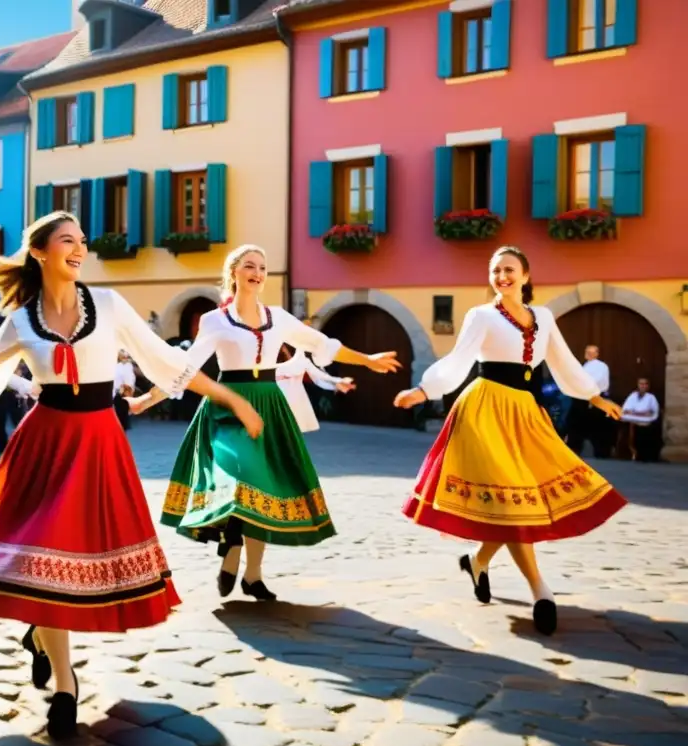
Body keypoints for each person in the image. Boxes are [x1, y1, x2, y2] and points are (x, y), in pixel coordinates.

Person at [0, 212, 263, 740]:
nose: (79, 248)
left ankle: (44, 639)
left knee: (69, 555)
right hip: (45, 444)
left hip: (98, 443)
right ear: (41, 252)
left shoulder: (111, 306)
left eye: (83, 241)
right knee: (43, 556)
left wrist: (231, 396)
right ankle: (66, 683)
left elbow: (166, 362)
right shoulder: (22, 322)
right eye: (67, 240)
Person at [131, 245, 400, 600]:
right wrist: (148, 398)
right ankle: (231, 550)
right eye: (249, 266)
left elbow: (323, 344)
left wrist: (366, 359)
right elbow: (187, 367)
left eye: (262, 266)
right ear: (234, 273)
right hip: (230, 405)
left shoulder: (280, 318)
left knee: (264, 488)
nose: (257, 272)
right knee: (240, 476)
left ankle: (252, 575)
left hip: (270, 405)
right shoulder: (215, 320)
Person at [393, 246, 626, 636]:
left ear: (526, 275)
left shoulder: (545, 317)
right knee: (513, 499)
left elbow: (564, 360)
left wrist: (594, 396)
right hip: (484, 410)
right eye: (496, 270)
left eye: (509, 269)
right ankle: (540, 591)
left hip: (524, 412)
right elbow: (459, 359)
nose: (502, 276)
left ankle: (477, 560)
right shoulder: (480, 315)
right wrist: (424, 390)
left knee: (517, 500)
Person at [275, 339, 355, 433]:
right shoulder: (273, 362)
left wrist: (337, 383)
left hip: (297, 400)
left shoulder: (303, 361)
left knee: (292, 431)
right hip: (278, 398)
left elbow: (320, 378)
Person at [621, 377, 661, 462]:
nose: (642, 386)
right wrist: (640, 413)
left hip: (645, 421)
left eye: (645, 384)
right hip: (632, 419)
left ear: (648, 386)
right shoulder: (633, 395)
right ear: (638, 385)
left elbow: (652, 412)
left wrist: (635, 412)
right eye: (641, 384)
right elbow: (626, 409)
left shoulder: (651, 397)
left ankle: (643, 454)